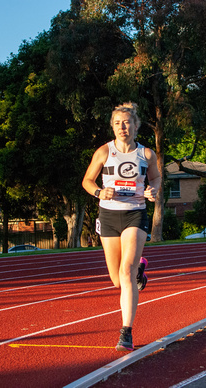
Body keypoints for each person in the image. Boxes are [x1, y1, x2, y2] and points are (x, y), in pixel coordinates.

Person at [82, 102, 161, 351]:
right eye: (117, 123)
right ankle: (139, 267)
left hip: (135, 215)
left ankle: (126, 332)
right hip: (108, 216)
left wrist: (153, 190)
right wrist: (98, 192)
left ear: (136, 126)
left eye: (126, 123)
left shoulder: (146, 154)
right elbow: (87, 180)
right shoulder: (104, 152)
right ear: (112, 127)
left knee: (125, 273)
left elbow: (157, 177)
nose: (122, 127)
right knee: (117, 280)